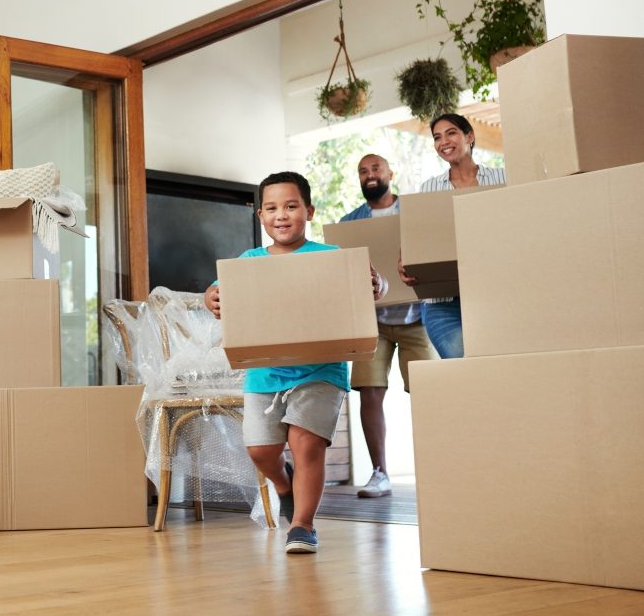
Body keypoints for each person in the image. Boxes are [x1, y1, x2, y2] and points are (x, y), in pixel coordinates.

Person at [205, 171, 386, 555]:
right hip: (265, 371)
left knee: (306, 445)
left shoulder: (329, 257)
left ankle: (303, 526)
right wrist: (211, 297)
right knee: (260, 451)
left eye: (291, 206)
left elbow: (370, 285)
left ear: (309, 210)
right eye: (271, 208)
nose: (281, 215)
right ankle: (284, 485)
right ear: (260, 217)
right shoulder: (249, 261)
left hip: (321, 369)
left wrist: (377, 286)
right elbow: (220, 291)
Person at [340, 154, 437, 499]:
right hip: (374, 321)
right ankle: (379, 472)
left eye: (375, 169)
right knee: (370, 391)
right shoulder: (350, 222)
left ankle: (436, 468)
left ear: (390, 173)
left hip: (417, 317)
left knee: (428, 392)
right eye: (362, 171)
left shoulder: (412, 212)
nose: (369, 175)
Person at [398, 113, 506, 359]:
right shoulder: (429, 188)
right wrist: (405, 259)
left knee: (497, 364)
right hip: (442, 302)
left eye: (451, 132)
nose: (443, 141)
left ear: (469, 136)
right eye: (437, 137)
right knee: (464, 366)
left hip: (493, 294)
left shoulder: (502, 179)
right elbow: (420, 236)